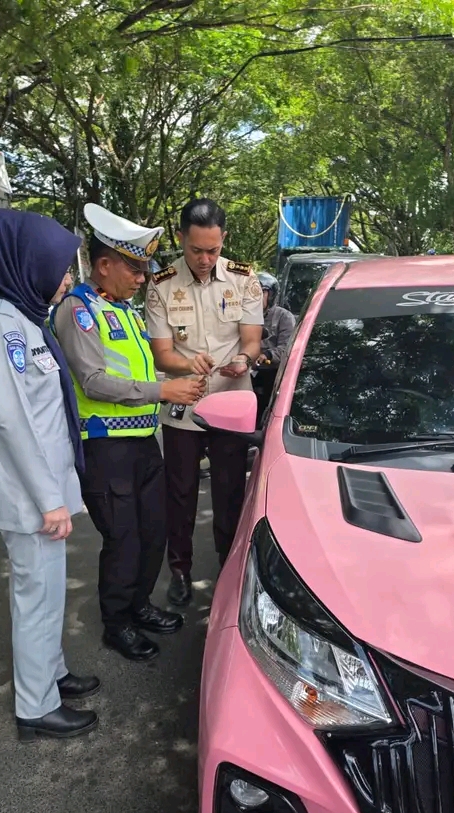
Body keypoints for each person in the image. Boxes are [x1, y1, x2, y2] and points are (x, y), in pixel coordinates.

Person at [0, 208, 99, 742]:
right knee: (37, 597)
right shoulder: (0, 325)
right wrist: (49, 501)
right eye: (56, 267)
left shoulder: (22, 316)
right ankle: (36, 708)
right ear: (22, 263)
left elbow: (16, 408)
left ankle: (51, 675)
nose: (65, 279)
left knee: (49, 591)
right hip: (31, 495)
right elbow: (8, 417)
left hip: (42, 489)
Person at [50, 204, 204, 662]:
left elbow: (146, 363)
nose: (142, 278)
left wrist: (185, 370)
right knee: (124, 539)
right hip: (105, 447)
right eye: (135, 268)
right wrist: (163, 390)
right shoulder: (79, 311)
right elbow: (94, 380)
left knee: (153, 531)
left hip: (142, 443)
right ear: (104, 264)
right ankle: (116, 622)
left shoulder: (125, 311)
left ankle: (139, 605)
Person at [144, 198, 263, 607]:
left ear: (223, 240)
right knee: (179, 491)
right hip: (184, 402)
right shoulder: (161, 284)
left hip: (231, 401)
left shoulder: (244, 280)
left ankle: (230, 572)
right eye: (196, 250)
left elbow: (251, 339)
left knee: (231, 490)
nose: (205, 259)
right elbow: (161, 354)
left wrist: (244, 359)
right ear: (181, 239)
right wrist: (185, 361)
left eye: (213, 249)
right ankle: (179, 570)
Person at [251, 272, 296, 427]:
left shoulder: (284, 317)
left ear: (270, 295)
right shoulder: (242, 316)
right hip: (244, 372)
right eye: (252, 292)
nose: (255, 296)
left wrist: (268, 354)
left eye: (260, 292)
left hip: (272, 374)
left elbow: (288, 348)